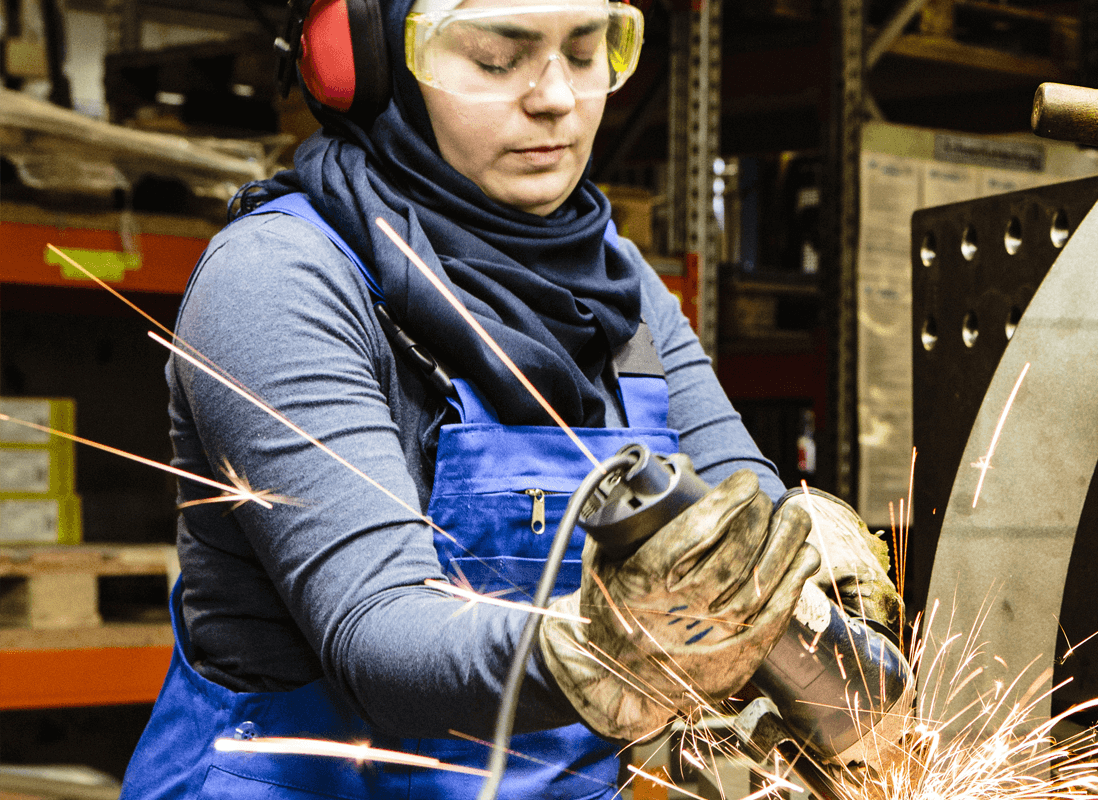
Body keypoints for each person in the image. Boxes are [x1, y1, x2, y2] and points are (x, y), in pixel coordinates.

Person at [120, 1, 901, 797]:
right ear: (369, 61)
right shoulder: (277, 278)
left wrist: (811, 569)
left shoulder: (618, 288)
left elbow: (745, 500)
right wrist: (595, 652)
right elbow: (378, 635)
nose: (556, 97)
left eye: (587, 51)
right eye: (498, 58)